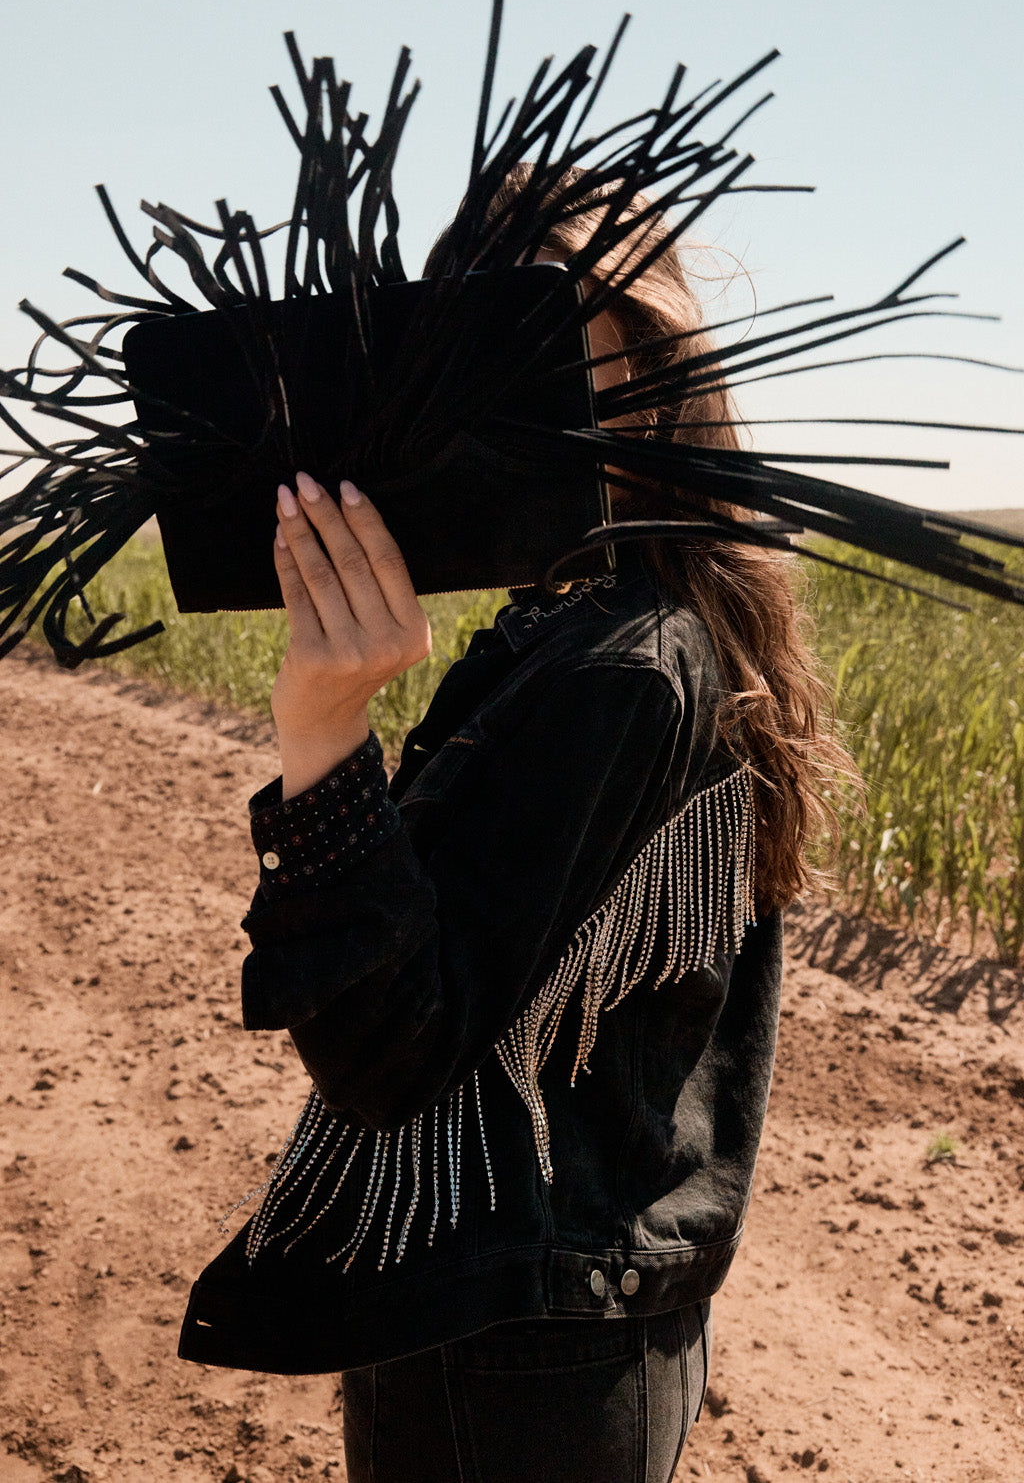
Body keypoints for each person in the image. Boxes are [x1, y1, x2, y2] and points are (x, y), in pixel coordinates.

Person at [178, 168, 856, 1482]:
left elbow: (386, 1056)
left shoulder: (617, 666)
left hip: (512, 1351)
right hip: (593, 1318)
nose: (505, 416)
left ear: (654, 377)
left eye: (547, 362)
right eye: (471, 371)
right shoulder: (652, 622)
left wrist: (322, 733)